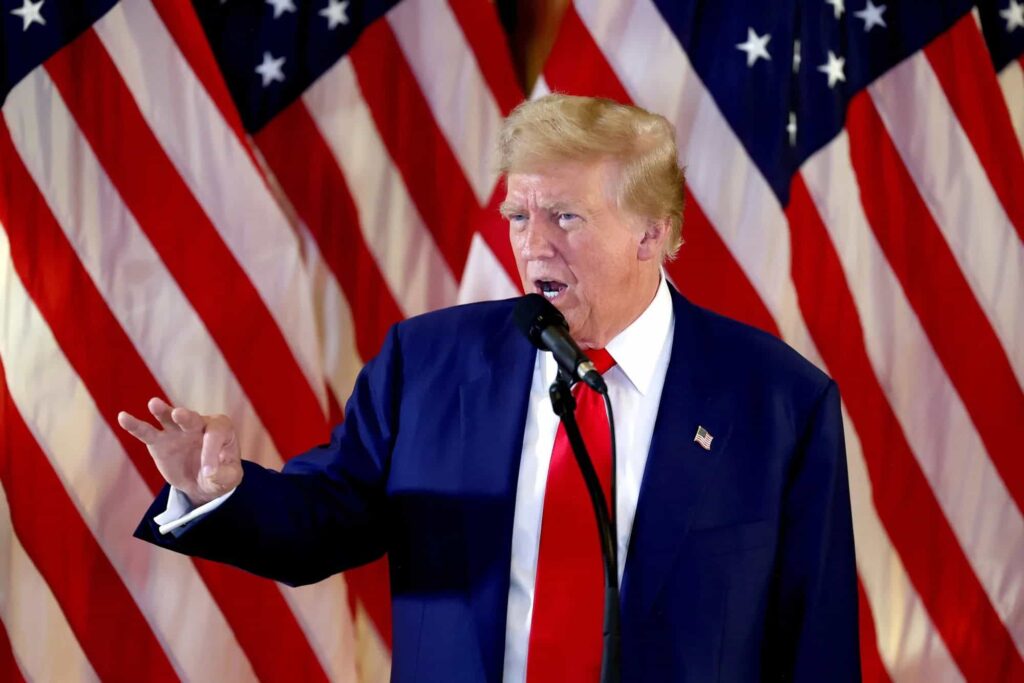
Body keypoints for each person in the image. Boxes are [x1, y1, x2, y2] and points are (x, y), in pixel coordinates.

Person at [121, 94, 860, 682]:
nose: (533, 245)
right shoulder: (428, 363)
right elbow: (325, 521)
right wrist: (220, 492)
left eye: (565, 217)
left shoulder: (778, 402)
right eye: (518, 215)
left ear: (652, 233)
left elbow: (815, 644)